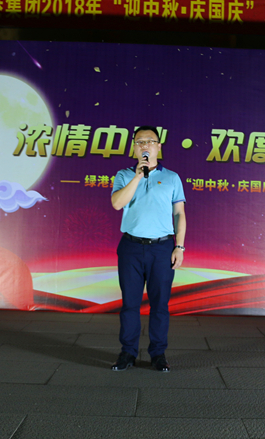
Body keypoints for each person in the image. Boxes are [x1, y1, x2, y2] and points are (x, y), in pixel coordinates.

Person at [110, 125, 186, 372]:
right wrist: (137, 177)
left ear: (158, 146)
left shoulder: (172, 178)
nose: (145, 145)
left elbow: (179, 213)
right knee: (130, 304)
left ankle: (158, 354)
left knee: (160, 304)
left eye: (150, 141)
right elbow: (117, 203)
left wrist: (179, 246)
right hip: (131, 247)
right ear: (134, 147)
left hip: (161, 248)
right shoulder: (124, 175)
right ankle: (128, 352)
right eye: (140, 141)